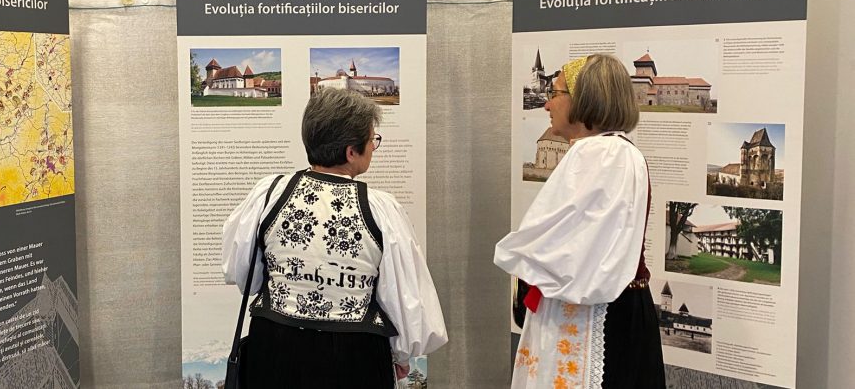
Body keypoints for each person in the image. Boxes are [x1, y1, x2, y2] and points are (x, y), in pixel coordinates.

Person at [221, 87, 447, 388]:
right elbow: (405, 300)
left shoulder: (270, 193)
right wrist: (401, 355)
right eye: (372, 140)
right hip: (354, 357)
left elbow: (241, 273)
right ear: (351, 152)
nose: (373, 147)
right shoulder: (380, 209)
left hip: (274, 348)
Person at [494, 54, 665, 388]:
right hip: (626, 307)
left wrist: (521, 258)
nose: (547, 104)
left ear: (584, 99)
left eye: (556, 93)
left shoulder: (597, 153)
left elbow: (565, 252)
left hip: (597, 316)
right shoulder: (622, 151)